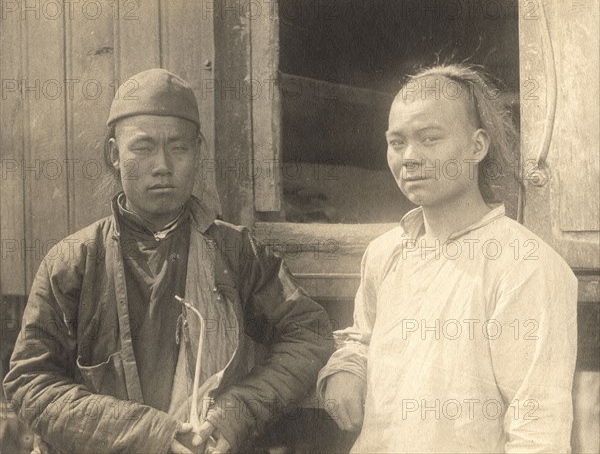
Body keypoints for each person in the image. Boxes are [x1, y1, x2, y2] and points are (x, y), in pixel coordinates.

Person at [4, 69, 333, 454]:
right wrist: (149, 434)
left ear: (198, 151)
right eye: (143, 148)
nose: (162, 165)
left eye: (178, 148)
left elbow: (309, 333)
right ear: (114, 154)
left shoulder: (237, 252)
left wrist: (237, 411)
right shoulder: (74, 261)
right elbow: (30, 381)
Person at [317, 64, 578, 453]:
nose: (409, 157)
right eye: (396, 141)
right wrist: (347, 368)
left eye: (429, 138)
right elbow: (365, 336)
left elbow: (538, 430)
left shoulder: (526, 266)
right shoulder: (385, 253)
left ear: (477, 147)